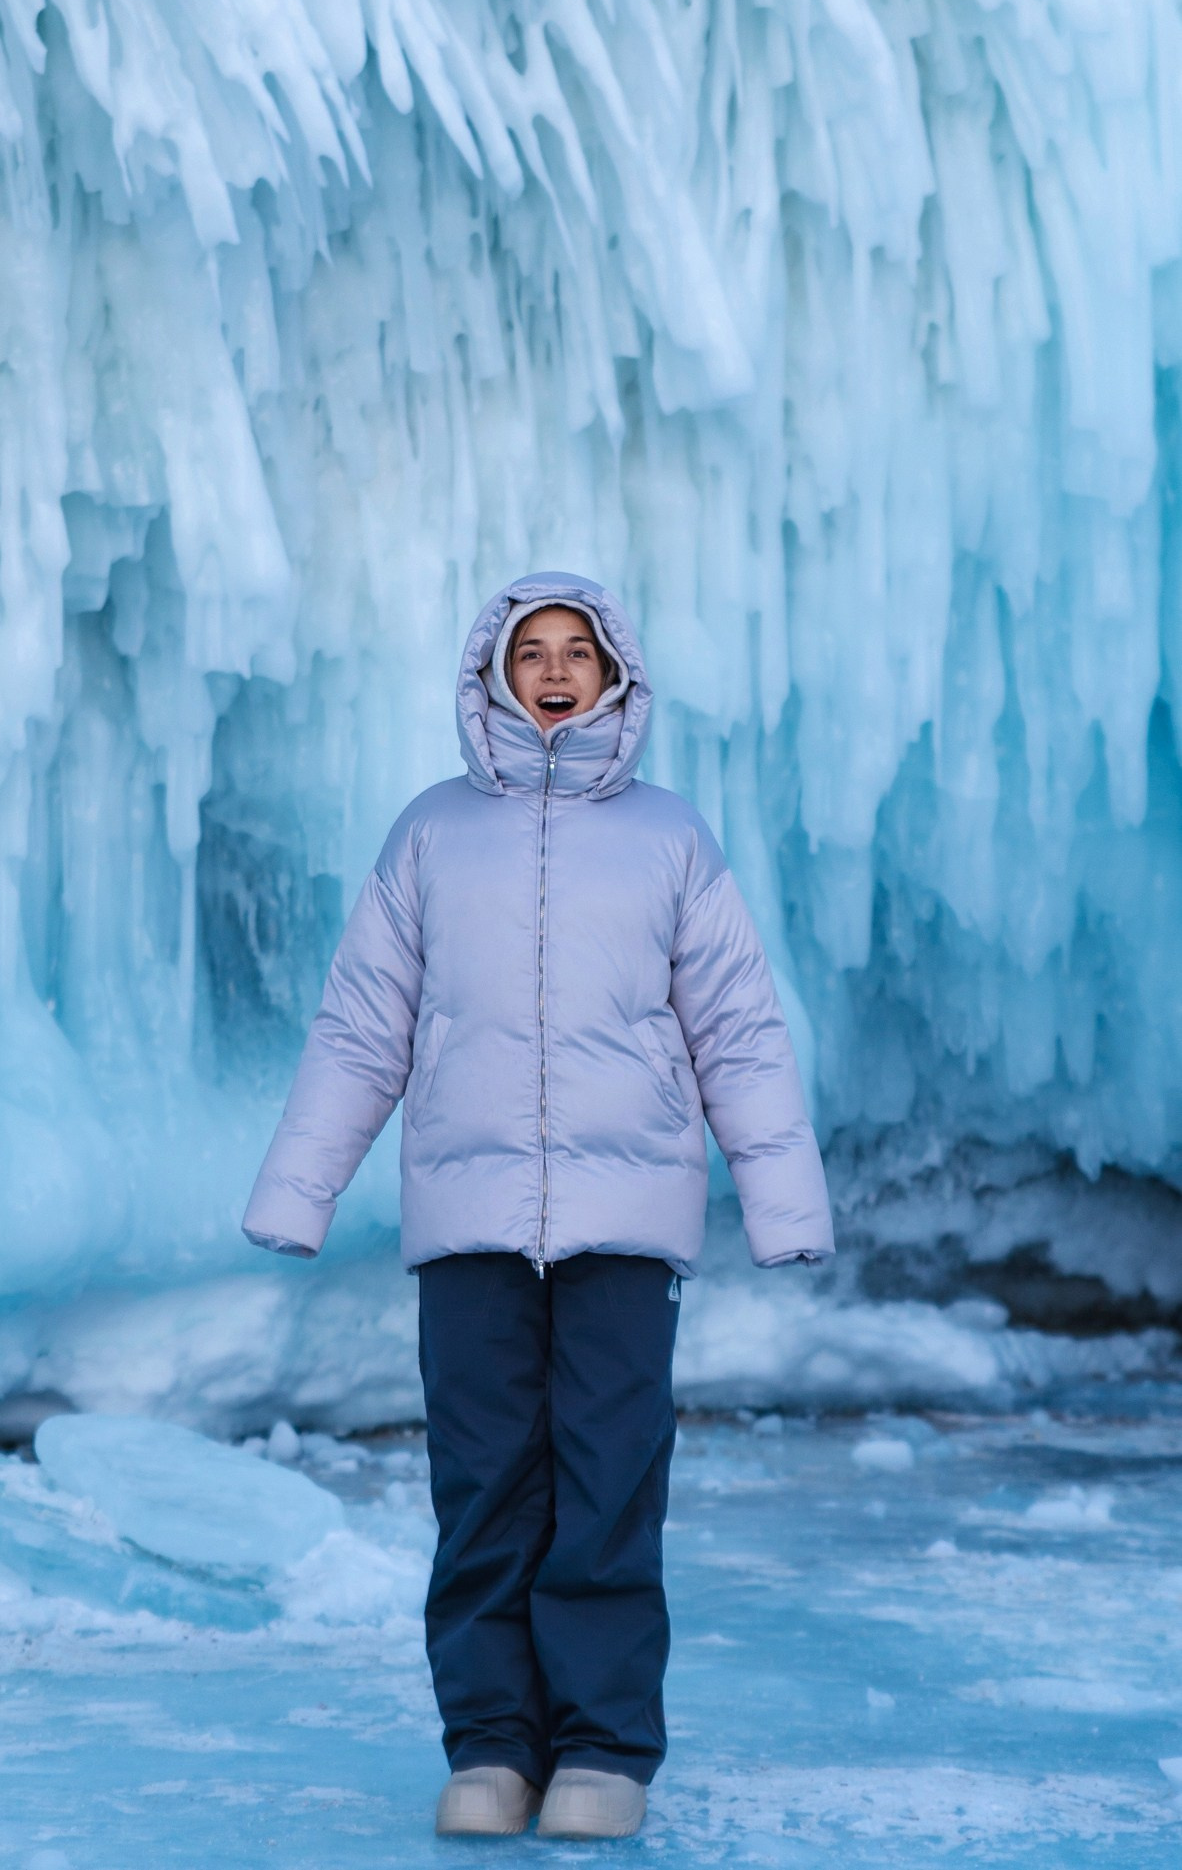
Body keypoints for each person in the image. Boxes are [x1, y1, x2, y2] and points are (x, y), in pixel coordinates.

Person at [242, 572, 835, 1840]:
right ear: (491, 676)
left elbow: (735, 1029)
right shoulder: (430, 833)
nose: (555, 671)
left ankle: (604, 1750)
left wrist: (781, 1200)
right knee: (483, 1482)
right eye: (532, 652)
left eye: (580, 652)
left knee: (611, 1477)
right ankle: (493, 1747)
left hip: (627, 1220)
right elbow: (362, 1029)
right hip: (469, 1219)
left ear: (617, 676)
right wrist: (299, 1188)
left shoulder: (671, 837)